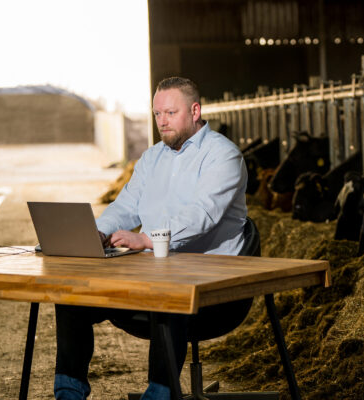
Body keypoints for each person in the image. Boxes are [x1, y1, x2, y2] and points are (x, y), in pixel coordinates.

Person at [53, 77, 251, 400]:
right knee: (72, 291)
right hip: (153, 277)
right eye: (157, 114)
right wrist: (99, 232)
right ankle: (68, 391)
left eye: (170, 113)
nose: (162, 122)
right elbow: (126, 206)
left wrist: (146, 240)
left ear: (195, 110)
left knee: (169, 286)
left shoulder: (224, 157)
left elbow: (202, 215)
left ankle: (160, 394)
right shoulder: (152, 159)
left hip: (213, 285)